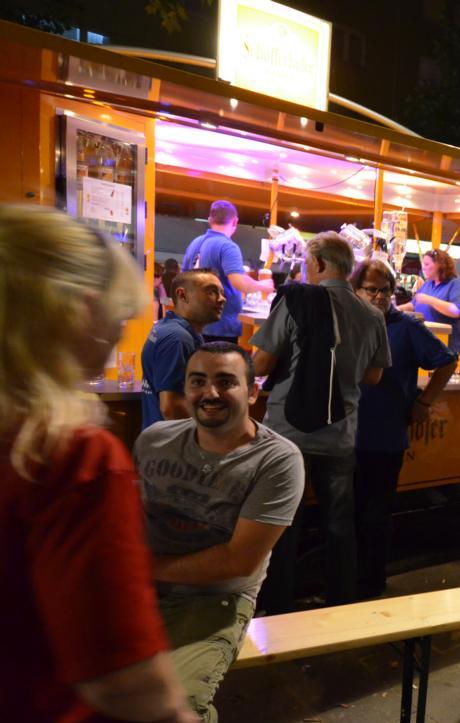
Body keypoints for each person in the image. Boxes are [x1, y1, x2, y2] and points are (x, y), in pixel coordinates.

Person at [0, 205, 198, 723]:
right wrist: (174, 713)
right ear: (84, 310)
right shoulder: (71, 454)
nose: (120, 333)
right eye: (118, 315)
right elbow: (117, 667)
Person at [135, 342, 305, 723]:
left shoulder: (278, 460)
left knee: (179, 712)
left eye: (226, 382)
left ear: (252, 391)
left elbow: (238, 562)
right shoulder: (154, 440)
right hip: (140, 590)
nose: (209, 392)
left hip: (217, 599)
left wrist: (139, 569)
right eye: (198, 381)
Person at [252, 232, 390, 613]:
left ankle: (277, 607)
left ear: (317, 262)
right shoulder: (372, 314)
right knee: (339, 525)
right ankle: (340, 604)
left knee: (283, 524)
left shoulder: (296, 299)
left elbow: (261, 363)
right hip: (341, 434)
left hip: (288, 433)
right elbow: (375, 376)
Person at [350, 260, 457, 598]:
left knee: (376, 515)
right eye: (371, 289)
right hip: (343, 436)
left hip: (386, 436)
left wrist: (424, 402)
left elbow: (446, 361)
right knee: (347, 514)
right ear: (356, 291)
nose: (379, 297)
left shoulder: (406, 326)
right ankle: (345, 581)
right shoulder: (348, 322)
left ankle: (371, 584)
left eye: (385, 290)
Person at [141, 269, 225, 430]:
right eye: (211, 292)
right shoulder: (177, 338)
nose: (222, 299)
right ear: (182, 295)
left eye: (221, 292)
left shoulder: (172, 329)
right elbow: (171, 408)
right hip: (172, 442)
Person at [181, 200, 273, 343]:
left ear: (210, 220)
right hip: (220, 327)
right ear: (235, 221)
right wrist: (262, 286)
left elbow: (182, 279)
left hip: (195, 323)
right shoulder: (227, 246)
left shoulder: (195, 243)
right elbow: (238, 282)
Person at [397, 248, 460, 355]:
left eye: (426, 264)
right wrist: (398, 309)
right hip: (425, 343)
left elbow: (457, 311)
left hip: (445, 346)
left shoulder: (455, 284)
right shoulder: (428, 284)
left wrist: (430, 300)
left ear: (440, 265)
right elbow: (414, 304)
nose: (423, 268)